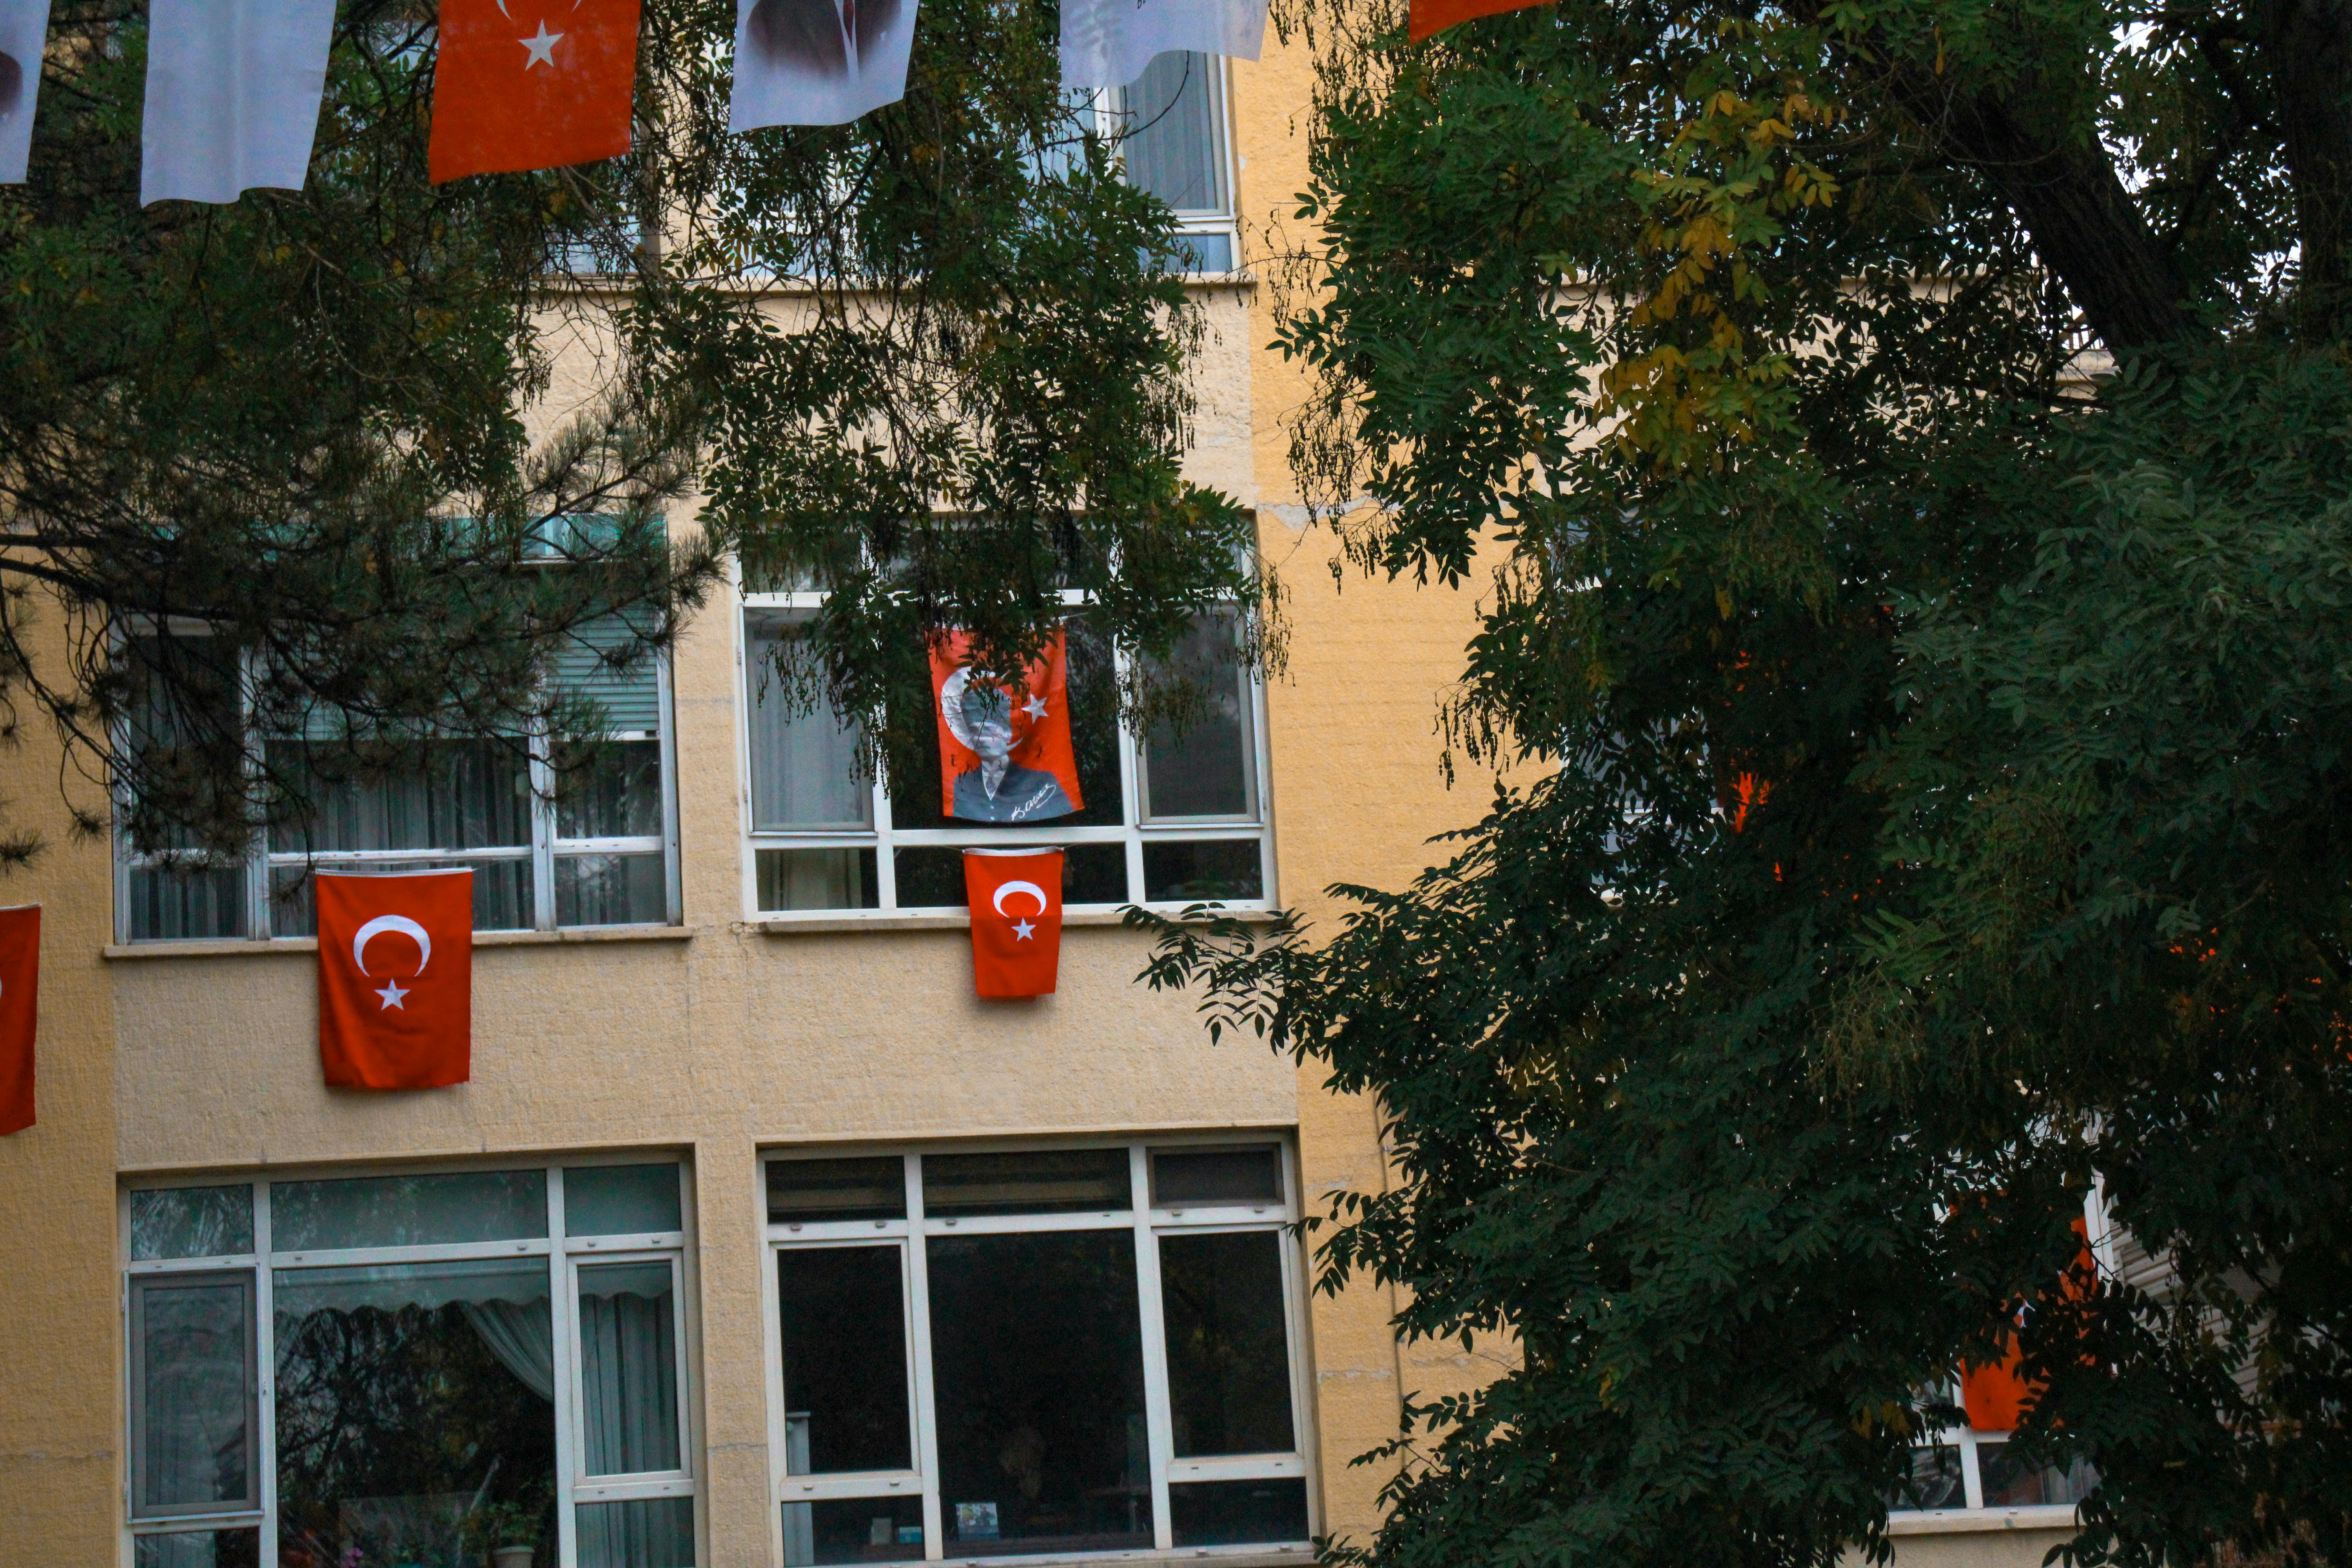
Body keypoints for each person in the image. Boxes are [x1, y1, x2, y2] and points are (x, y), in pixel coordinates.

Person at [942, 671, 1076, 822]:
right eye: (975, 732)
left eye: (989, 731)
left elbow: (1062, 828)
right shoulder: (961, 785)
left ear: (1007, 733)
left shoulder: (1043, 783)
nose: (982, 740)